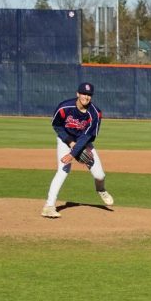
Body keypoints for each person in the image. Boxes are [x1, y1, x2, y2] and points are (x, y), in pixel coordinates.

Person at [42, 82, 113, 219]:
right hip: (65, 140)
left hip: (84, 142)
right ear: (77, 94)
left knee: (99, 176)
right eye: (83, 93)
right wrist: (70, 143)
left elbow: (88, 136)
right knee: (63, 170)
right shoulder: (64, 107)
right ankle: (49, 206)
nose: (86, 97)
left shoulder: (95, 114)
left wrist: (73, 152)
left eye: (89, 95)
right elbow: (57, 126)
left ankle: (100, 189)